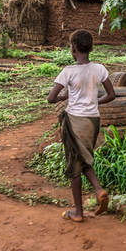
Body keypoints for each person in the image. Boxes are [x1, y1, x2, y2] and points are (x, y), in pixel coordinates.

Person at [47, 29, 115, 222]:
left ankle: (78, 211)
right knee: (83, 157)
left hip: (75, 120)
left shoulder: (68, 71)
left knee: (74, 166)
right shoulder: (100, 69)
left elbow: (51, 98)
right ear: (91, 48)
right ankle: (98, 189)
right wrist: (93, 101)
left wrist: (65, 96)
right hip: (93, 121)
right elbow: (111, 95)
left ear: (73, 48)